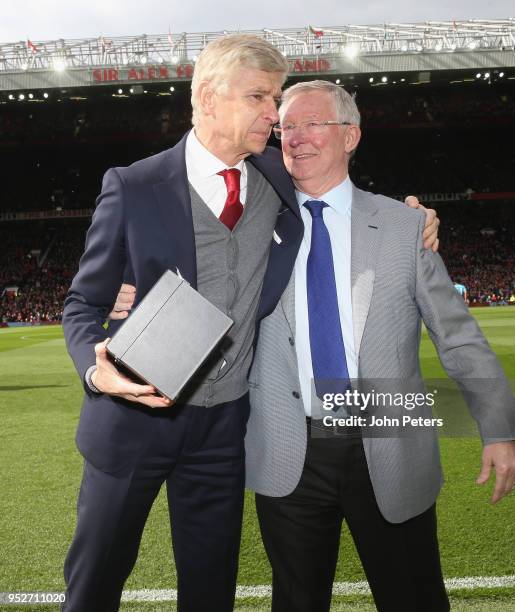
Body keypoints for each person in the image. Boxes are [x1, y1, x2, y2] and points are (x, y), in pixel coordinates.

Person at [62, 36, 439, 612]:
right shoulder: (133, 186)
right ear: (209, 97)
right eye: (260, 97)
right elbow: (82, 305)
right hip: (130, 419)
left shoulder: (275, 179)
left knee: (211, 591)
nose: (275, 116)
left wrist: (414, 216)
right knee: (95, 584)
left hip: (223, 430)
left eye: (277, 98)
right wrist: (98, 371)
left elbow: (342, 193)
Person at [243, 81, 515, 612]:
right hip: (288, 446)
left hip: (390, 436)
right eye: (286, 127)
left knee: (413, 598)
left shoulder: (405, 226)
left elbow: (458, 335)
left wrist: (499, 427)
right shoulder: (255, 225)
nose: (295, 138)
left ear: (350, 136)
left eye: (311, 124)